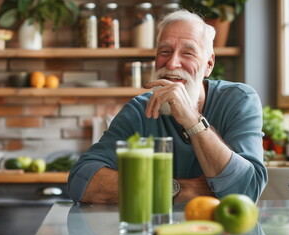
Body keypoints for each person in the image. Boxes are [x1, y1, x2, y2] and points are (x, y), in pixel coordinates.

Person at [68, 10, 268, 204]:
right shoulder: (139, 110)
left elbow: (247, 190)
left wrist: (191, 119)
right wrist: (178, 189)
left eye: (188, 53)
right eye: (165, 51)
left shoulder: (238, 99)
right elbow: (82, 181)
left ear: (209, 64)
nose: (172, 63)